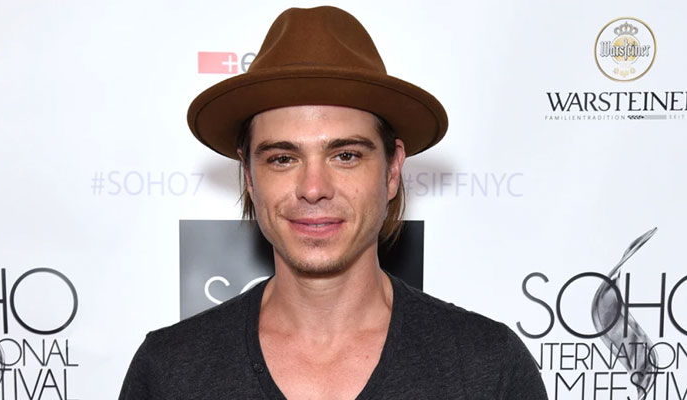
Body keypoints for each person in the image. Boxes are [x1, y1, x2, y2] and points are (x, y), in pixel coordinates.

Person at [119, 6, 548, 399]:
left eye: (345, 156)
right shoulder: (168, 372)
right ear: (249, 176)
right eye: (282, 158)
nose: (313, 188)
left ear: (392, 170)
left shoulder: (489, 368)